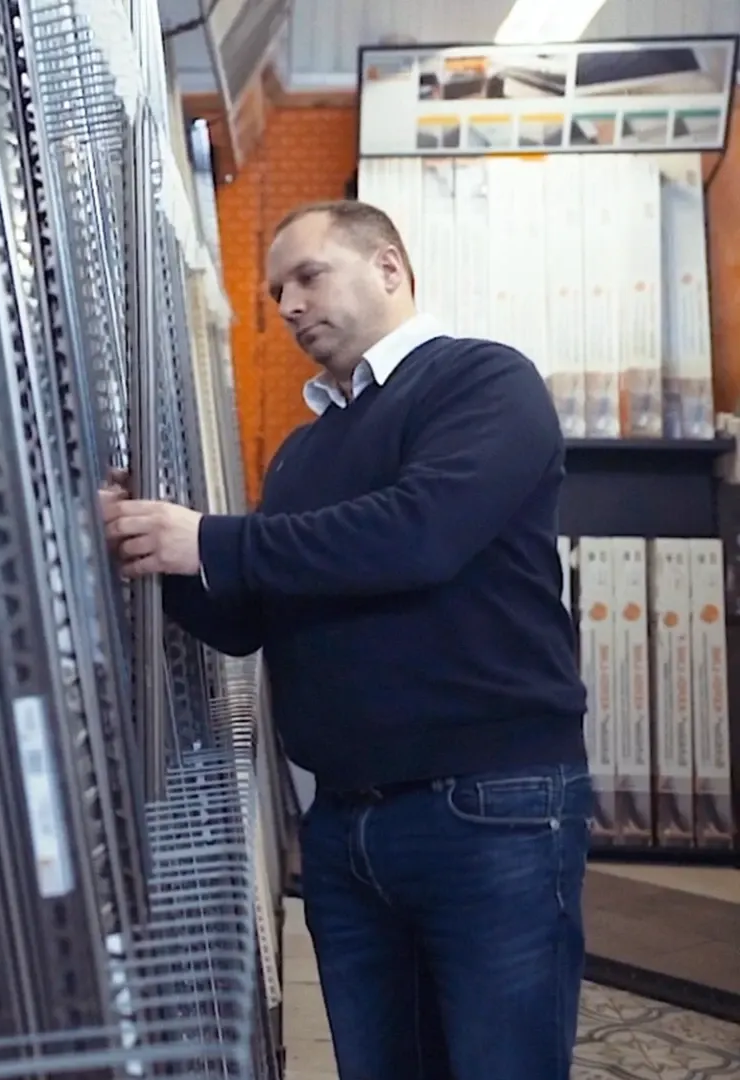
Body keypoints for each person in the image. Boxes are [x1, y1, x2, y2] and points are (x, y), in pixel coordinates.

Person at [100, 200, 590, 1080]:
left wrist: (210, 538)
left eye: (308, 276)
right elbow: (250, 620)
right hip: (345, 827)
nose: (286, 305)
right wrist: (152, 554)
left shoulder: (483, 383)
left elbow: (421, 533)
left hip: (488, 810)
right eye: (275, 290)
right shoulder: (302, 453)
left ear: (390, 267)